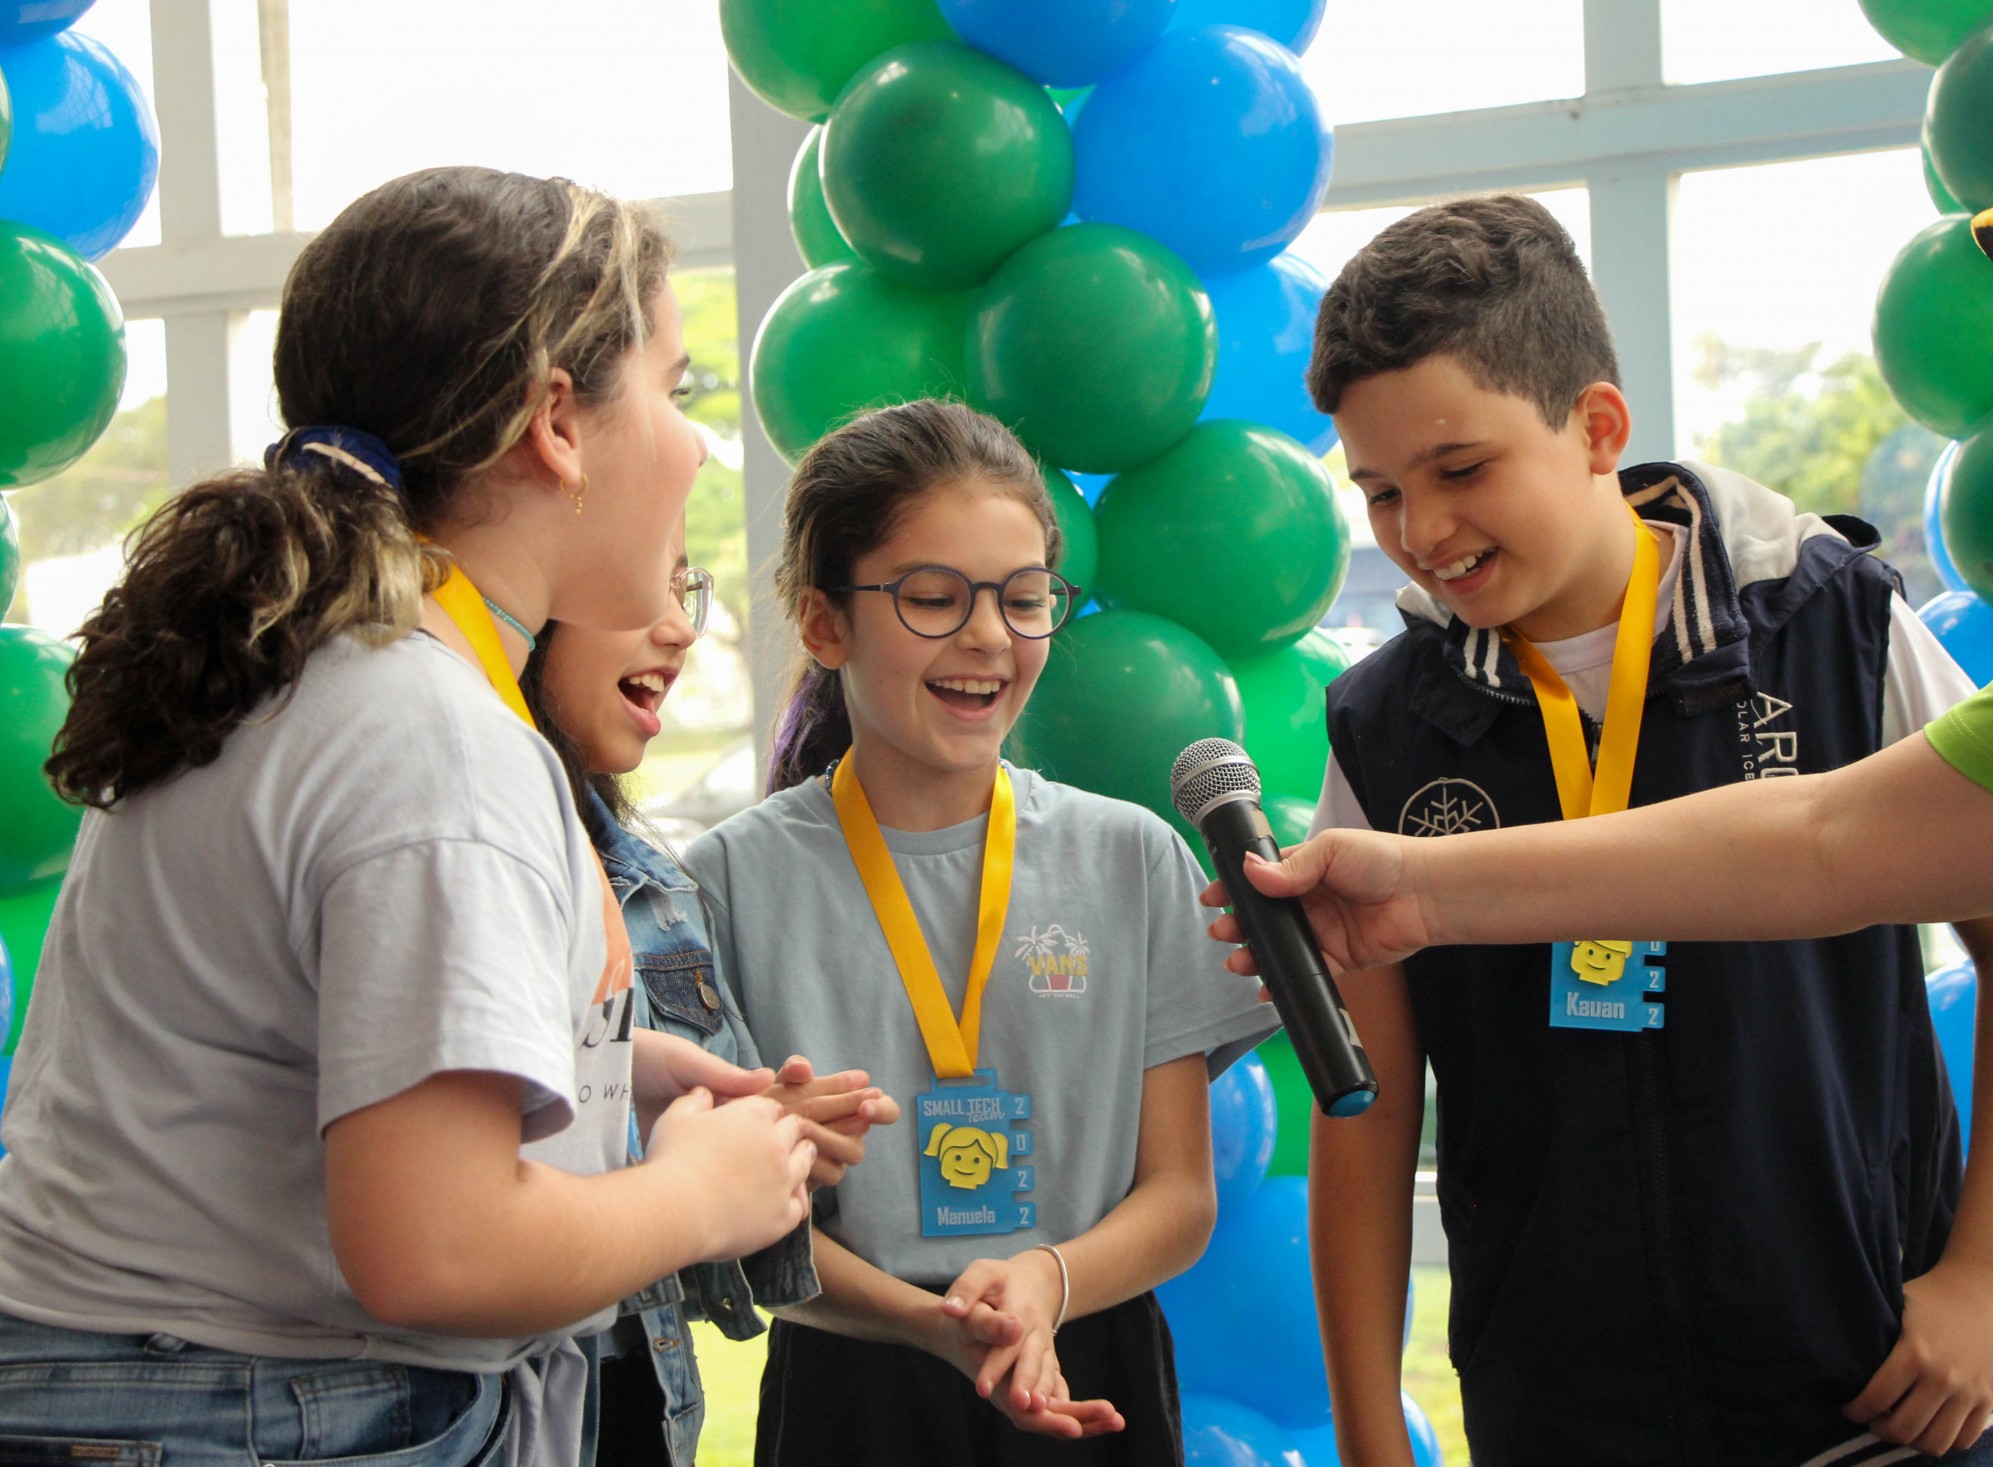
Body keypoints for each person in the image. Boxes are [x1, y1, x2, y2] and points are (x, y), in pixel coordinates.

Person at [0, 167, 818, 1467]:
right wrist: (699, 1194)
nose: (694, 447)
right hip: (258, 1406)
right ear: (558, 421)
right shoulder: (426, 733)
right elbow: (437, 1250)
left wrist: (598, 1061)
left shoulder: (290, 668)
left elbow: (263, 1038)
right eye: (675, 391)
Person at [1268, 194, 1993, 1467]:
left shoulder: (1828, 624)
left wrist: (1985, 1279)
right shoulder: (1387, 727)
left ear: (1597, 428)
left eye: (1460, 470)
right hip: (1565, 1419)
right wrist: (1372, 1433)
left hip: (1880, 1398)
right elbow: (1365, 1106)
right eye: (1377, 493)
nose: (1420, 533)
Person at [679, 399, 1278, 1465]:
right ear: (824, 624)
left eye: (1024, 598)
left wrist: (1047, 1281)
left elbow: (1181, 1195)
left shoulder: (1132, 857)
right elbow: (733, 1221)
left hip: (1090, 1360)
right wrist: (929, 1323)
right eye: (932, 598)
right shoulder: (727, 881)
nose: (990, 637)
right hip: (854, 1381)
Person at [520, 551, 904, 1467]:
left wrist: (752, 1142)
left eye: (685, 587)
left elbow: (655, 1222)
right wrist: (694, 1185)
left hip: (627, 1394)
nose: (680, 629)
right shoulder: (454, 834)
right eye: (643, 580)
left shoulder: (652, 883)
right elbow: (437, 1229)